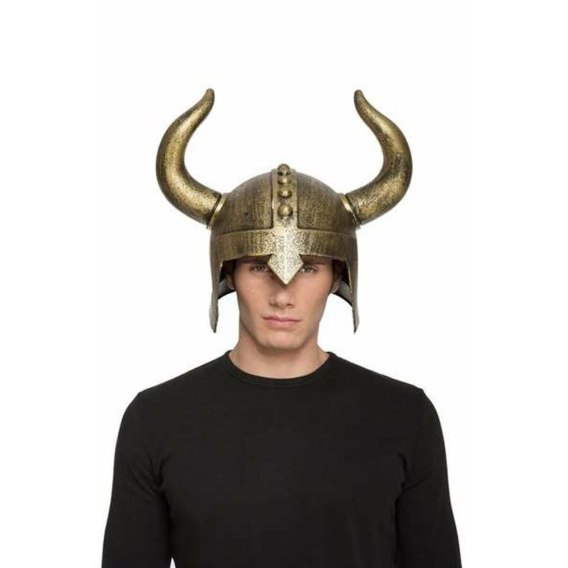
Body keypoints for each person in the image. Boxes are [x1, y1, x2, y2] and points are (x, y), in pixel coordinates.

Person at [101, 89, 462, 567]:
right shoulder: (156, 419)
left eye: (307, 268)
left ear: (337, 276)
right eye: (259, 267)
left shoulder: (405, 416)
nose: (283, 294)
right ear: (228, 273)